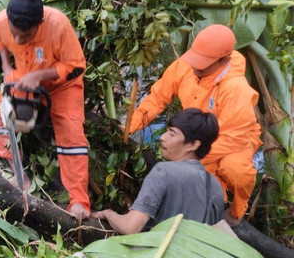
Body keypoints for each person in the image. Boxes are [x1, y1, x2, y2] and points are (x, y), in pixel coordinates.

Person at [129, 24, 262, 227]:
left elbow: (231, 138)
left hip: (234, 140)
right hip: (196, 139)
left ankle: (237, 211)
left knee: (234, 170)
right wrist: (129, 127)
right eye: (195, 61)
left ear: (223, 61)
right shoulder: (186, 66)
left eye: (203, 64)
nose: (195, 68)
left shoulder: (237, 89)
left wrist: (189, 157)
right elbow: (157, 98)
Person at [0, 0, 89, 219]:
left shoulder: (58, 25)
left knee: (72, 134)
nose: (19, 40)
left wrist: (41, 77)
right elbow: (1, 42)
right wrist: (6, 68)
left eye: (26, 36)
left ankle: (79, 201)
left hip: (62, 85)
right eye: (15, 34)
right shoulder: (1, 21)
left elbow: (77, 66)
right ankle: (19, 175)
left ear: (39, 24)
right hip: (25, 78)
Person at [93, 108, 225, 234]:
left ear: (193, 145)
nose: (162, 137)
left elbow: (130, 227)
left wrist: (108, 213)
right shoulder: (215, 185)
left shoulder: (163, 172)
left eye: (172, 134)